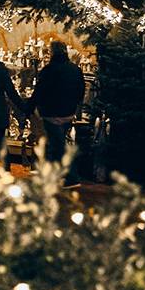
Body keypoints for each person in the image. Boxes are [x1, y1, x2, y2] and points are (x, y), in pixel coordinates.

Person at [30, 40, 85, 186]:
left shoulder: (48, 71)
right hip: (68, 112)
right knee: (56, 143)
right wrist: (75, 106)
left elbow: (39, 92)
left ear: (52, 52)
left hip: (51, 113)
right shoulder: (75, 69)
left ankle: (72, 176)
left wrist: (29, 107)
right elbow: (81, 90)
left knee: (58, 145)